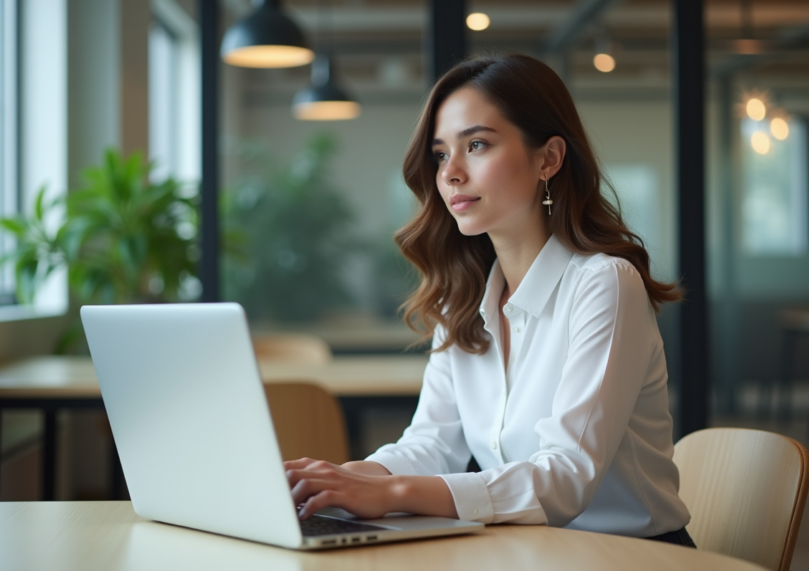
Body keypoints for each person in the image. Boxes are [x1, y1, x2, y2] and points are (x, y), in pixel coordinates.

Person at [284, 54, 695, 547]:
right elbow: (432, 443)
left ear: (548, 159)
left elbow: (565, 477)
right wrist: (339, 479)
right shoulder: (463, 298)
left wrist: (390, 492)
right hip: (531, 549)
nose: (451, 173)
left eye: (476, 145)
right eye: (440, 154)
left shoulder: (605, 283)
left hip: (632, 556)